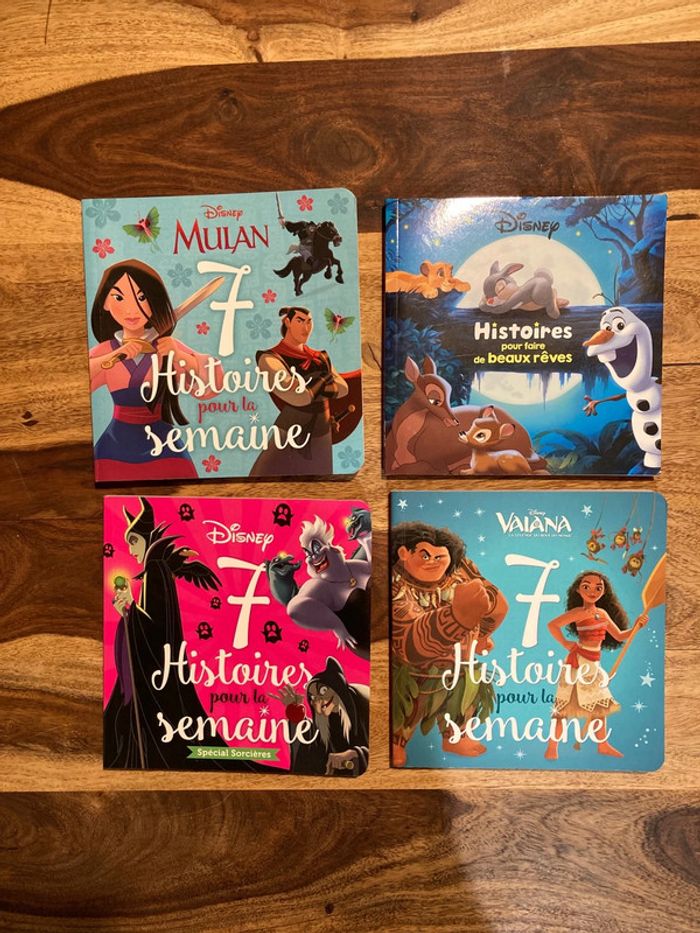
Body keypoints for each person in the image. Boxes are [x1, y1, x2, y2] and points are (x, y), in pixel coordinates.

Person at [104, 497, 275, 772]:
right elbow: (155, 625)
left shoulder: (155, 569)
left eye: (134, 541)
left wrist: (130, 610)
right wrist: (129, 610)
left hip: (158, 675)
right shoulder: (155, 568)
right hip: (158, 671)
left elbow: (155, 628)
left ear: (146, 539)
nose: (131, 550)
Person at [391, 522, 508, 766]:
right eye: (425, 555)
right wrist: (456, 617)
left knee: (465, 694)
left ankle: (455, 736)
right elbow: (409, 642)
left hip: (459, 662)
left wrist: (481, 635)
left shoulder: (460, 570)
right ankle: (396, 741)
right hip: (412, 668)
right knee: (409, 702)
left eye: (439, 557)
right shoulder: (395, 584)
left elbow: (495, 604)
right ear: (404, 553)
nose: (433, 562)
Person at [89, 259, 213, 481]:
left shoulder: (168, 347)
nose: (132, 309)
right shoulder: (106, 350)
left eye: (142, 298)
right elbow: (78, 381)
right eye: (119, 297)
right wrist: (115, 356)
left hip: (163, 443)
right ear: (105, 303)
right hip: (116, 446)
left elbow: (210, 387)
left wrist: (181, 357)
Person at [545, 571, 648, 760]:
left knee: (599, 707)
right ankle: (552, 747)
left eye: (598, 588)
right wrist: (565, 643)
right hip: (577, 665)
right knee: (563, 708)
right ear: (578, 590)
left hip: (593, 664)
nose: (592, 591)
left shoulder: (602, 613)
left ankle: (603, 745)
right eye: (586, 586)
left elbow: (619, 636)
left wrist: (636, 627)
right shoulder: (578, 613)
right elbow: (552, 625)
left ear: (604, 592)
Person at [250, 306, 348, 476]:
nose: (306, 327)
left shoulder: (320, 356)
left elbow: (343, 388)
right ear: (287, 322)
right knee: (266, 477)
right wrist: (324, 379)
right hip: (289, 431)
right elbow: (299, 397)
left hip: (321, 433)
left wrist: (313, 388)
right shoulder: (270, 358)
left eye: (309, 322)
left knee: (321, 483)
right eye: (300, 321)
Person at [271, 657, 369, 776]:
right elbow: (310, 753)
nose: (317, 700)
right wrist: (296, 713)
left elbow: (381, 750)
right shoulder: (325, 724)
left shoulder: (362, 704)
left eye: (323, 690)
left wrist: (354, 754)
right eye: (312, 697)